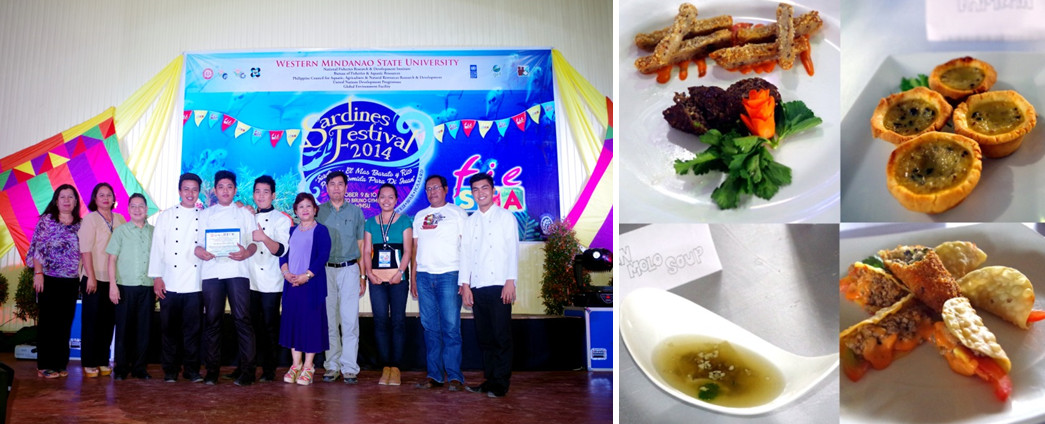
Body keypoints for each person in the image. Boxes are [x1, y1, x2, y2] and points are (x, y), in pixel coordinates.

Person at [194, 170, 258, 386]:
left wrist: (246, 253)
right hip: (211, 271)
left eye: (229, 186)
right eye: (221, 186)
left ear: (235, 190)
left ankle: (248, 372)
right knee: (212, 321)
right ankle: (211, 372)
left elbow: (253, 242)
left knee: (243, 319)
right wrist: (200, 252)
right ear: (214, 190)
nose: (225, 190)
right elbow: (197, 245)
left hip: (238, 271)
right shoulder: (205, 215)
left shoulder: (245, 214)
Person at [460, 173, 519, 398]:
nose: (480, 193)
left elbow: (512, 250)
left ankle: (501, 383)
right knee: (485, 337)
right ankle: (490, 379)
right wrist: (465, 285)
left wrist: (510, 281)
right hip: (478, 285)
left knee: (501, 336)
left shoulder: (506, 217)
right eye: (475, 189)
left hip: (500, 284)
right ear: (471, 193)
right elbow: (465, 254)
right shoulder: (471, 220)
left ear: (493, 191)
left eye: (484, 188)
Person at [411, 175, 469, 391]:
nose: (432, 191)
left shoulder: (458, 214)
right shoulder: (420, 216)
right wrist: (414, 278)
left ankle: (455, 376)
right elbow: (416, 250)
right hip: (424, 277)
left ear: (446, 189)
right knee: (430, 328)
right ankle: (434, 375)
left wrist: (465, 280)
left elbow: (466, 247)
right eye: (428, 189)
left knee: (451, 327)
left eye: (436, 187)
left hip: (449, 275)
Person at [149, 173, 205, 383]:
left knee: (193, 331)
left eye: (194, 189)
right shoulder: (167, 216)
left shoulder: (204, 215)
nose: (190, 193)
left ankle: (191, 370)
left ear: (198, 192)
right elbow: (158, 247)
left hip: (195, 282)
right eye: (186, 189)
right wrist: (157, 277)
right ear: (179, 191)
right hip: (170, 281)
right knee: (169, 331)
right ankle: (170, 370)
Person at [27, 184, 82, 379]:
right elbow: (37, 249)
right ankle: (44, 365)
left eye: (70, 197)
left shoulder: (80, 224)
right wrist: (38, 273)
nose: (66, 200)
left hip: (70, 281)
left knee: (64, 323)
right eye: (62, 197)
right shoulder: (47, 221)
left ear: (76, 201)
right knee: (48, 323)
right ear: (56, 201)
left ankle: (59, 363)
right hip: (48, 278)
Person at [315, 171, 366, 384]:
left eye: (340, 184)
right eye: (332, 184)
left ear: (346, 187)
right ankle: (332, 366)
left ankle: (350, 367)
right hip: (325, 271)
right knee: (329, 320)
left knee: (349, 320)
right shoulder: (318, 212)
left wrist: (362, 275)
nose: (336, 188)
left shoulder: (356, 212)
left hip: (349, 270)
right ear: (326, 188)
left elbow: (361, 245)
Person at [363, 183, 413, 386]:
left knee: (398, 321)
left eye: (390, 197)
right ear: (377, 199)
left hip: (398, 279)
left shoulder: (404, 221)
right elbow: (366, 251)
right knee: (381, 321)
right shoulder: (370, 223)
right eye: (382, 197)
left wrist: (400, 273)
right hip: (377, 279)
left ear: (396, 199)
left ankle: (396, 367)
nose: (386, 200)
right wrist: (369, 273)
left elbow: (408, 251)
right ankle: (385, 366)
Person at [279, 193, 331, 386]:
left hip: (311, 285)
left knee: (310, 326)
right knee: (293, 325)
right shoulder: (290, 231)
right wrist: (286, 273)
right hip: (291, 285)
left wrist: (306, 276)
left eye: (309, 206)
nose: (305, 209)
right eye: (301, 207)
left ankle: (308, 366)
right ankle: (295, 365)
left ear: (315, 209)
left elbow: (322, 257)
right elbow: (282, 254)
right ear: (296, 211)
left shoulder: (321, 231)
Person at [77, 182, 126, 378]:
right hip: (94, 277)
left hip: (113, 279)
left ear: (114, 198)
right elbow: (85, 250)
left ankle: (103, 360)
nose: (106, 198)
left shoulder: (120, 218)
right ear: (94, 199)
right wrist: (90, 277)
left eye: (109, 195)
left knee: (108, 322)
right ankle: (89, 362)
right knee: (91, 322)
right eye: (101, 195)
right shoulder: (90, 219)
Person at [247, 175, 292, 382]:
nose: (261, 195)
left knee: (269, 327)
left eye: (266, 192)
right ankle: (247, 367)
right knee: (249, 326)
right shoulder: (246, 216)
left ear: (273, 195)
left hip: (271, 282)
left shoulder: (281, 219)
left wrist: (263, 237)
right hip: (249, 279)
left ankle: (269, 369)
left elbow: (281, 249)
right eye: (257, 191)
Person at [106, 193, 154, 381]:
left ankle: (140, 368)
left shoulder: (154, 232)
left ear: (146, 209)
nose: (137, 209)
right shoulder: (120, 231)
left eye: (140, 206)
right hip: (125, 287)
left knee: (144, 329)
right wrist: (112, 285)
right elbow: (112, 259)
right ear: (128, 209)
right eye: (133, 206)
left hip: (147, 287)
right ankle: (121, 368)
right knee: (124, 329)